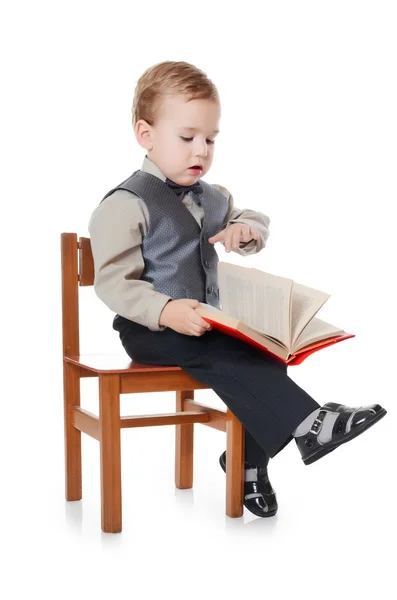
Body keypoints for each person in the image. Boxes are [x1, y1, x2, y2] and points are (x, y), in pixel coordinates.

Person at [88, 60, 387, 519]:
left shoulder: (214, 197)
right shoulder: (125, 204)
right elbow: (112, 283)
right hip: (149, 328)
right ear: (146, 135)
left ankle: (248, 463)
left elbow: (252, 217)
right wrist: (166, 311)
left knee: (263, 348)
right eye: (187, 137)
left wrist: (246, 230)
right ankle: (311, 422)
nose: (201, 150)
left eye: (210, 139)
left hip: (210, 323)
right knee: (219, 348)